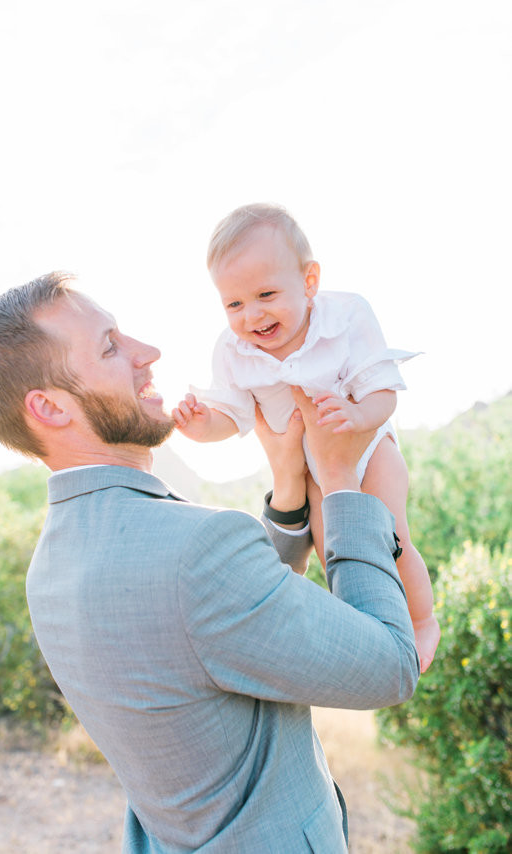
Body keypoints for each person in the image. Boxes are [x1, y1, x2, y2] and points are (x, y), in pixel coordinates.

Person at [0, 272, 419, 853]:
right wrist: (344, 483)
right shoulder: (191, 554)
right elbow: (392, 666)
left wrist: (287, 486)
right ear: (48, 407)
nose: (148, 354)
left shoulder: (48, 571)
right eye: (109, 346)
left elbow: (212, 623)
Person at [173, 203, 440, 673]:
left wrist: (357, 416)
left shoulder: (347, 315)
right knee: (333, 547)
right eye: (234, 304)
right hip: (313, 473)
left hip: (369, 445)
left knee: (392, 535)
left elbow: (383, 391)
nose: (251, 315)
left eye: (266, 294)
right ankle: (368, 632)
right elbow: (234, 416)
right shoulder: (233, 351)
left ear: (309, 281)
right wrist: (202, 427)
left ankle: (422, 621)